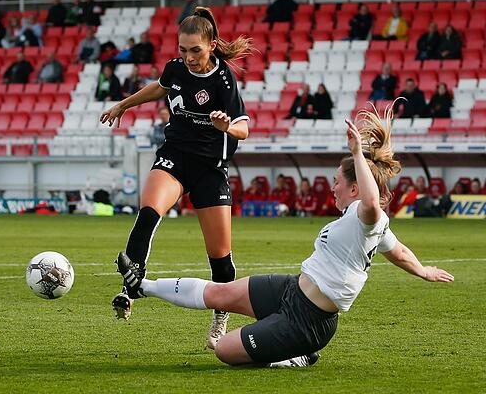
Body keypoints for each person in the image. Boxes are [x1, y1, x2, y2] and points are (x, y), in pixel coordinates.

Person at [113, 110, 453, 367]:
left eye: (337, 181)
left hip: (308, 322)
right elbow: (399, 251)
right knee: (219, 294)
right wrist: (423, 270)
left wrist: (358, 154)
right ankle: (143, 286)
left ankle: (300, 355)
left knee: (224, 351)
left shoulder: (368, 217)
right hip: (291, 289)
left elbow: (370, 203)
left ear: (353, 186)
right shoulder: (366, 223)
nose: (332, 187)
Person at [100, 6, 252, 349]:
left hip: (211, 168)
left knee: (220, 255)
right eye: (183, 51)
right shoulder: (176, 69)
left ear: (211, 45)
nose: (188, 58)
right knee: (149, 211)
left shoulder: (225, 79)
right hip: (176, 156)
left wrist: (227, 126)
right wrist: (123, 105)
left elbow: (244, 127)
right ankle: (130, 289)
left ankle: (220, 314)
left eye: (195, 50)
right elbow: (160, 87)